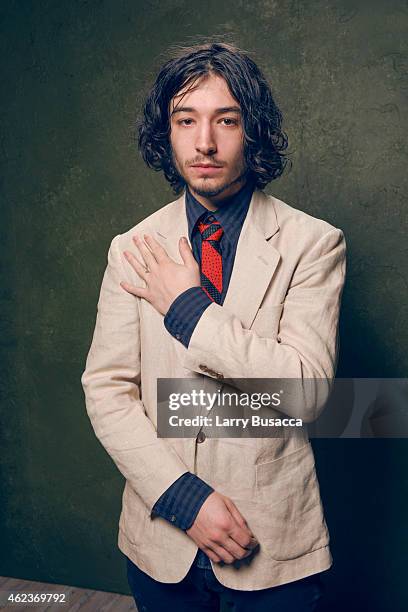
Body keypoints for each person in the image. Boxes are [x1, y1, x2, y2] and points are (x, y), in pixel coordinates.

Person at [81, 41, 346, 611]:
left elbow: (307, 393)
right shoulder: (131, 248)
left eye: (226, 120)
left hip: (274, 547)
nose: (205, 142)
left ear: (253, 131)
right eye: (185, 120)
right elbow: (107, 391)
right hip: (160, 543)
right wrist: (183, 499)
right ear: (167, 133)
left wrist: (188, 309)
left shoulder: (313, 245)